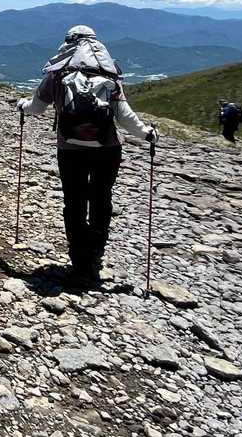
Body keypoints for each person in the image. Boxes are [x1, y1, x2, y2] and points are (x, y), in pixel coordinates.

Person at [16, 25, 155, 285]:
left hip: (70, 149)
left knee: (75, 202)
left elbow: (36, 107)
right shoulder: (109, 73)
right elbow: (124, 115)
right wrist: (146, 133)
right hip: (108, 149)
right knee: (102, 197)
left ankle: (80, 262)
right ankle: (95, 251)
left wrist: (22, 105)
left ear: (68, 43)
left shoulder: (57, 73)